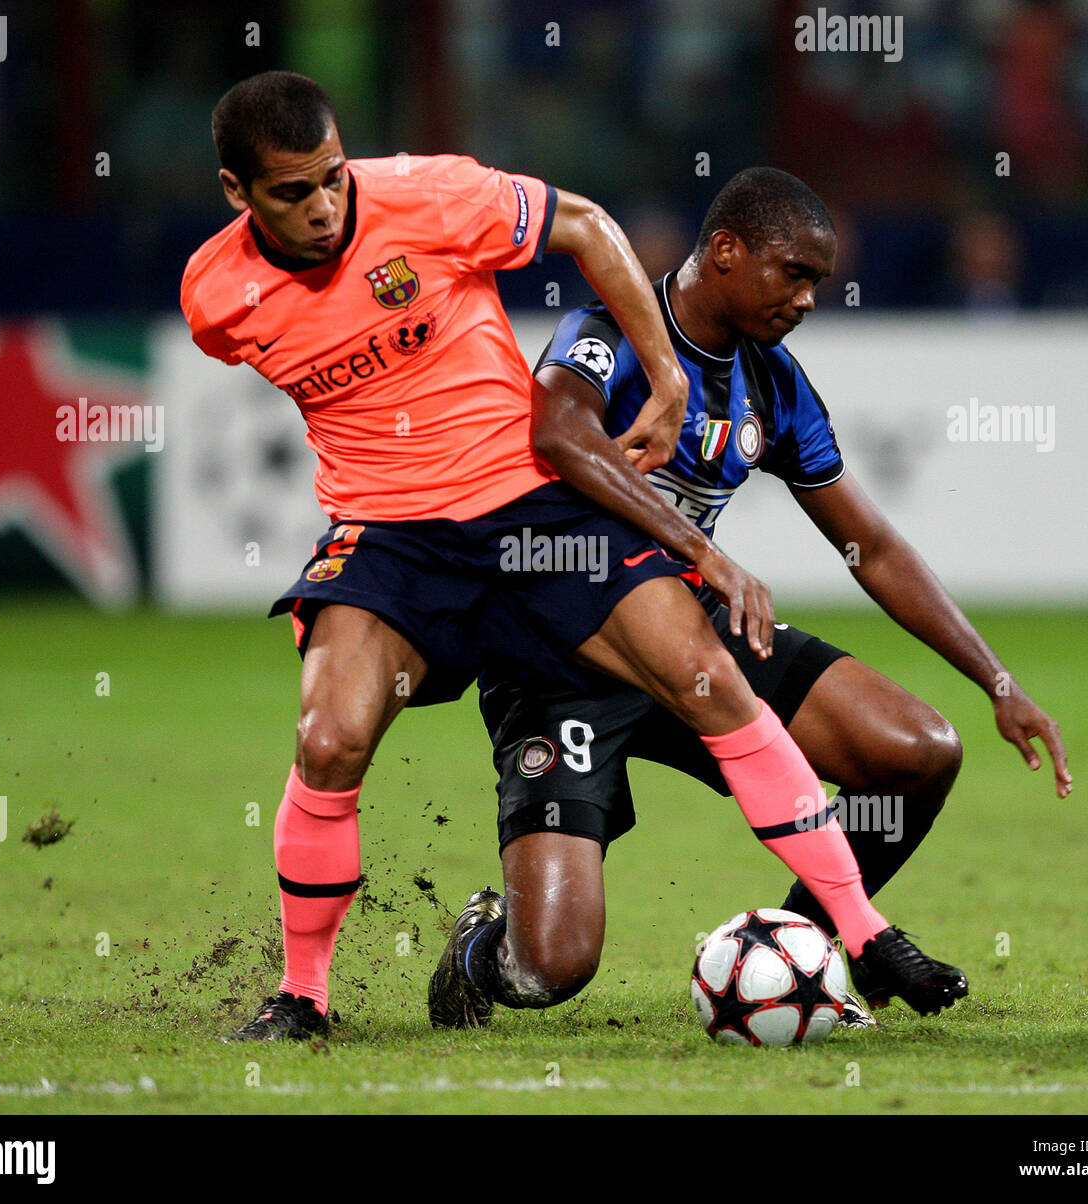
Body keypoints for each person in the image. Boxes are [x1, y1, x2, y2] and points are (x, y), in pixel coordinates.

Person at [182, 73, 964, 1041]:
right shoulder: (216, 299)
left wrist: (667, 374)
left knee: (707, 675)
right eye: (293, 193)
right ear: (236, 192)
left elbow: (588, 225)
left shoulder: (431, 194)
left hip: (524, 517)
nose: (325, 206)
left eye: (334, 177)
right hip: (388, 534)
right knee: (330, 738)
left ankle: (859, 927)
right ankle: (303, 996)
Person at [428, 167, 1068, 1030]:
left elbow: (869, 546)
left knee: (918, 750)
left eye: (818, 282)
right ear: (724, 252)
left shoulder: (775, 382)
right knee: (553, 966)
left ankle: (798, 957)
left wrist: (998, 681)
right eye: (794, 273)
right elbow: (556, 430)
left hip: (691, 637)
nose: (807, 299)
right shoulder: (608, 332)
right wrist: (700, 549)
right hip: (559, 661)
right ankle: (478, 952)